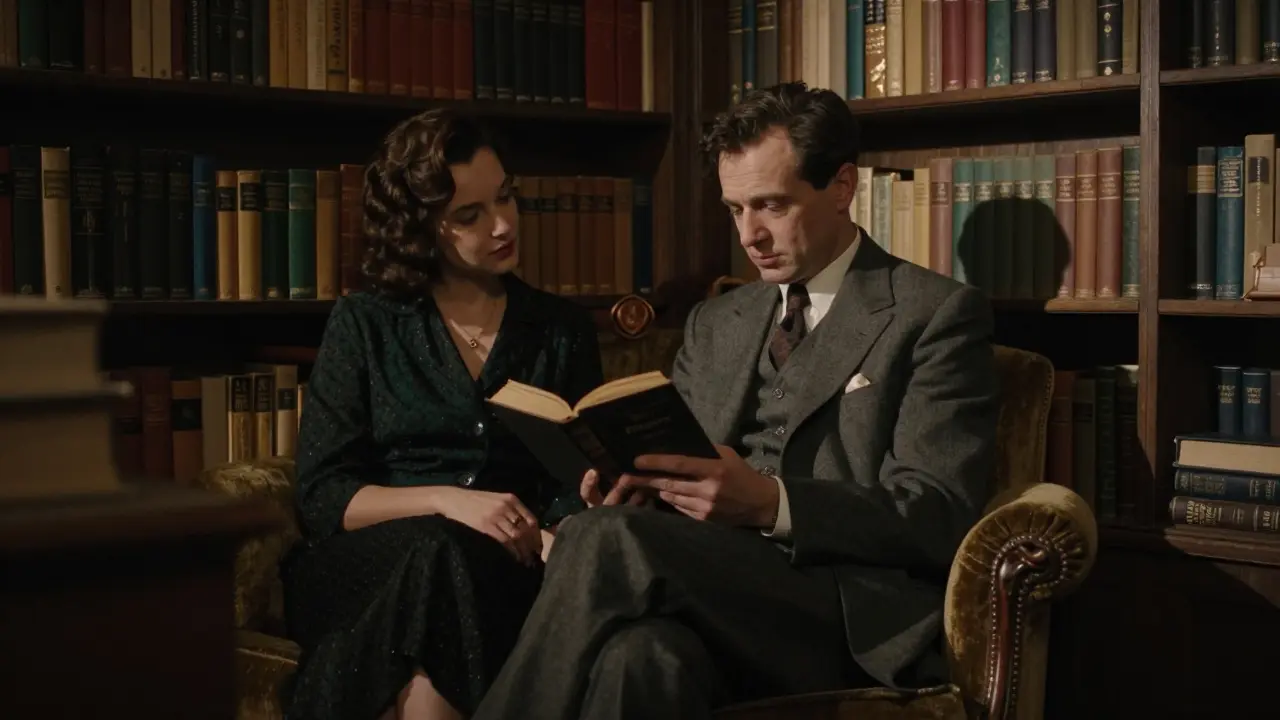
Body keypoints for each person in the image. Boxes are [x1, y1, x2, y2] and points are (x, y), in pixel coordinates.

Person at [471, 82, 1001, 720]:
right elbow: (675, 460)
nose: (750, 235)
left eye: (772, 206)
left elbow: (938, 513)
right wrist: (633, 483)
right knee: (641, 657)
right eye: (735, 209)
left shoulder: (933, 315)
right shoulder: (715, 321)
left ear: (841, 186)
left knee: (606, 542)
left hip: (839, 610)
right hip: (704, 587)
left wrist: (771, 503)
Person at [279, 108, 605, 720]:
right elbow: (325, 496)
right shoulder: (366, 324)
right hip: (374, 564)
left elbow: (572, 479)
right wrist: (449, 501)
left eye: (506, 197)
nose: (504, 224)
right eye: (470, 215)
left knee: (439, 636)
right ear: (420, 228)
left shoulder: (558, 330)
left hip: (505, 566)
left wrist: (560, 525)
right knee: (442, 549)